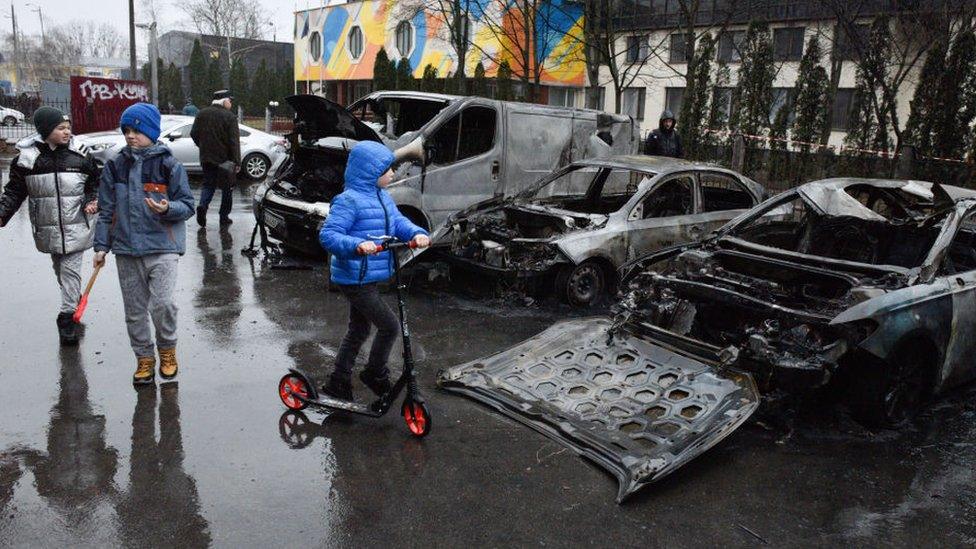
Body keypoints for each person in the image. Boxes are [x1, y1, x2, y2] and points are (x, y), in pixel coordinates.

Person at [318, 141, 430, 400]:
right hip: (354, 277)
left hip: (368, 276)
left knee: (358, 330)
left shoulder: (382, 197)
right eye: (387, 170)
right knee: (390, 327)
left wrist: (416, 232)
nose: (392, 174)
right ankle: (375, 373)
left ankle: (338, 381)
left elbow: (398, 222)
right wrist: (357, 245)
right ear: (370, 172)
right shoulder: (349, 201)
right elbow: (329, 235)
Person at [93, 103, 195, 385]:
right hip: (126, 250)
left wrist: (167, 209)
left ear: (150, 130)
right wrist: (101, 246)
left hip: (163, 247)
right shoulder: (115, 165)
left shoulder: (168, 165)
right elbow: (106, 209)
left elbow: (187, 205)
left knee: (162, 304)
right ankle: (144, 359)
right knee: (134, 311)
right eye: (126, 130)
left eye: (136, 130)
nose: (130, 135)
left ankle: (167, 350)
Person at [0, 106, 99, 344]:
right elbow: (14, 191)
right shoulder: (27, 160)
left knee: (69, 271)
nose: (67, 132)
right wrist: (3, 213)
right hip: (48, 229)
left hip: (78, 226)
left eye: (68, 128)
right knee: (61, 272)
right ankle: (72, 301)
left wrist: (92, 200)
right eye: (60, 128)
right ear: (45, 131)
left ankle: (67, 320)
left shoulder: (81, 155)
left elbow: (94, 183)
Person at [190, 90, 240, 227]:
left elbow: (193, 133)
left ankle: (203, 206)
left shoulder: (202, 113)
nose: (231, 103)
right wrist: (236, 161)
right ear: (223, 101)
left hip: (206, 157)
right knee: (227, 188)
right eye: (230, 100)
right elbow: (234, 141)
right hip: (226, 160)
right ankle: (224, 217)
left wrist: (202, 146)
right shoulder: (229, 116)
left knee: (208, 184)